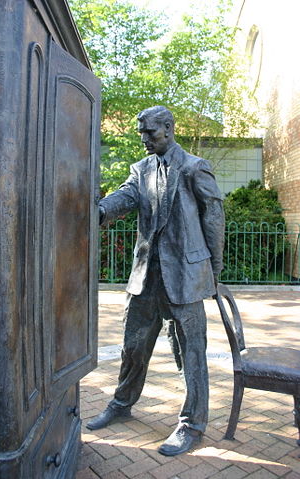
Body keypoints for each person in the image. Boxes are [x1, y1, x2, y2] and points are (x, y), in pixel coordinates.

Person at [87, 105, 225, 456]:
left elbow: (214, 218)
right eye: (141, 133)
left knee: (191, 353)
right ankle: (121, 403)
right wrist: (101, 209)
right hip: (147, 277)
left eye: (150, 132)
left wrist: (213, 269)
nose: (144, 138)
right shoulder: (141, 169)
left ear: (168, 128)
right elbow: (126, 196)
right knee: (132, 346)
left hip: (186, 274)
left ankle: (192, 425)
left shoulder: (194, 167)